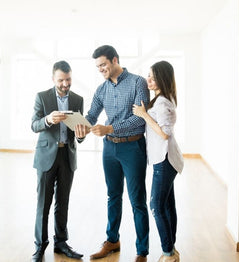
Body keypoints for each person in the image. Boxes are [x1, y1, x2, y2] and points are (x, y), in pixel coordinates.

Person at [76, 45, 150, 262]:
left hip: (133, 147)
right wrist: (79, 126)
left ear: (115, 60)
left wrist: (109, 128)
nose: (101, 69)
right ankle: (112, 240)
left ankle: (142, 251)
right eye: (98, 66)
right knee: (113, 195)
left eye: (103, 65)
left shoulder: (138, 82)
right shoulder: (101, 89)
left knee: (137, 200)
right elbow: (91, 115)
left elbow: (140, 118)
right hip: (110, 149)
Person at [31, 60, 85, 262]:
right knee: (43, 204)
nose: (65, 84)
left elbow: (79, 133)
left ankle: (61, 242)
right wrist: (47, 120)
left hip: (67, 156)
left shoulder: (78, 99)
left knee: (63, 202)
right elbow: (34, 125)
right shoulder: (42, 97)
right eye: (61, 80)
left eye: (68, 79)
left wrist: (81, 135)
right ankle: (39, 246)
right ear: (53, 79)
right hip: (46, 157)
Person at [132, 61, 184, 262]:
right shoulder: (161, 99)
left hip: (165, 160)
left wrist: (144, 115)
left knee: (156, 205)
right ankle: (171, 249)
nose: (148, 80)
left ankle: (168, 254)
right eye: (148, 75)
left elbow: (164, 134)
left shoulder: (162, 103)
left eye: (152, 77)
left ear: (162, 78)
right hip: (162, 159)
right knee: (167, 205)